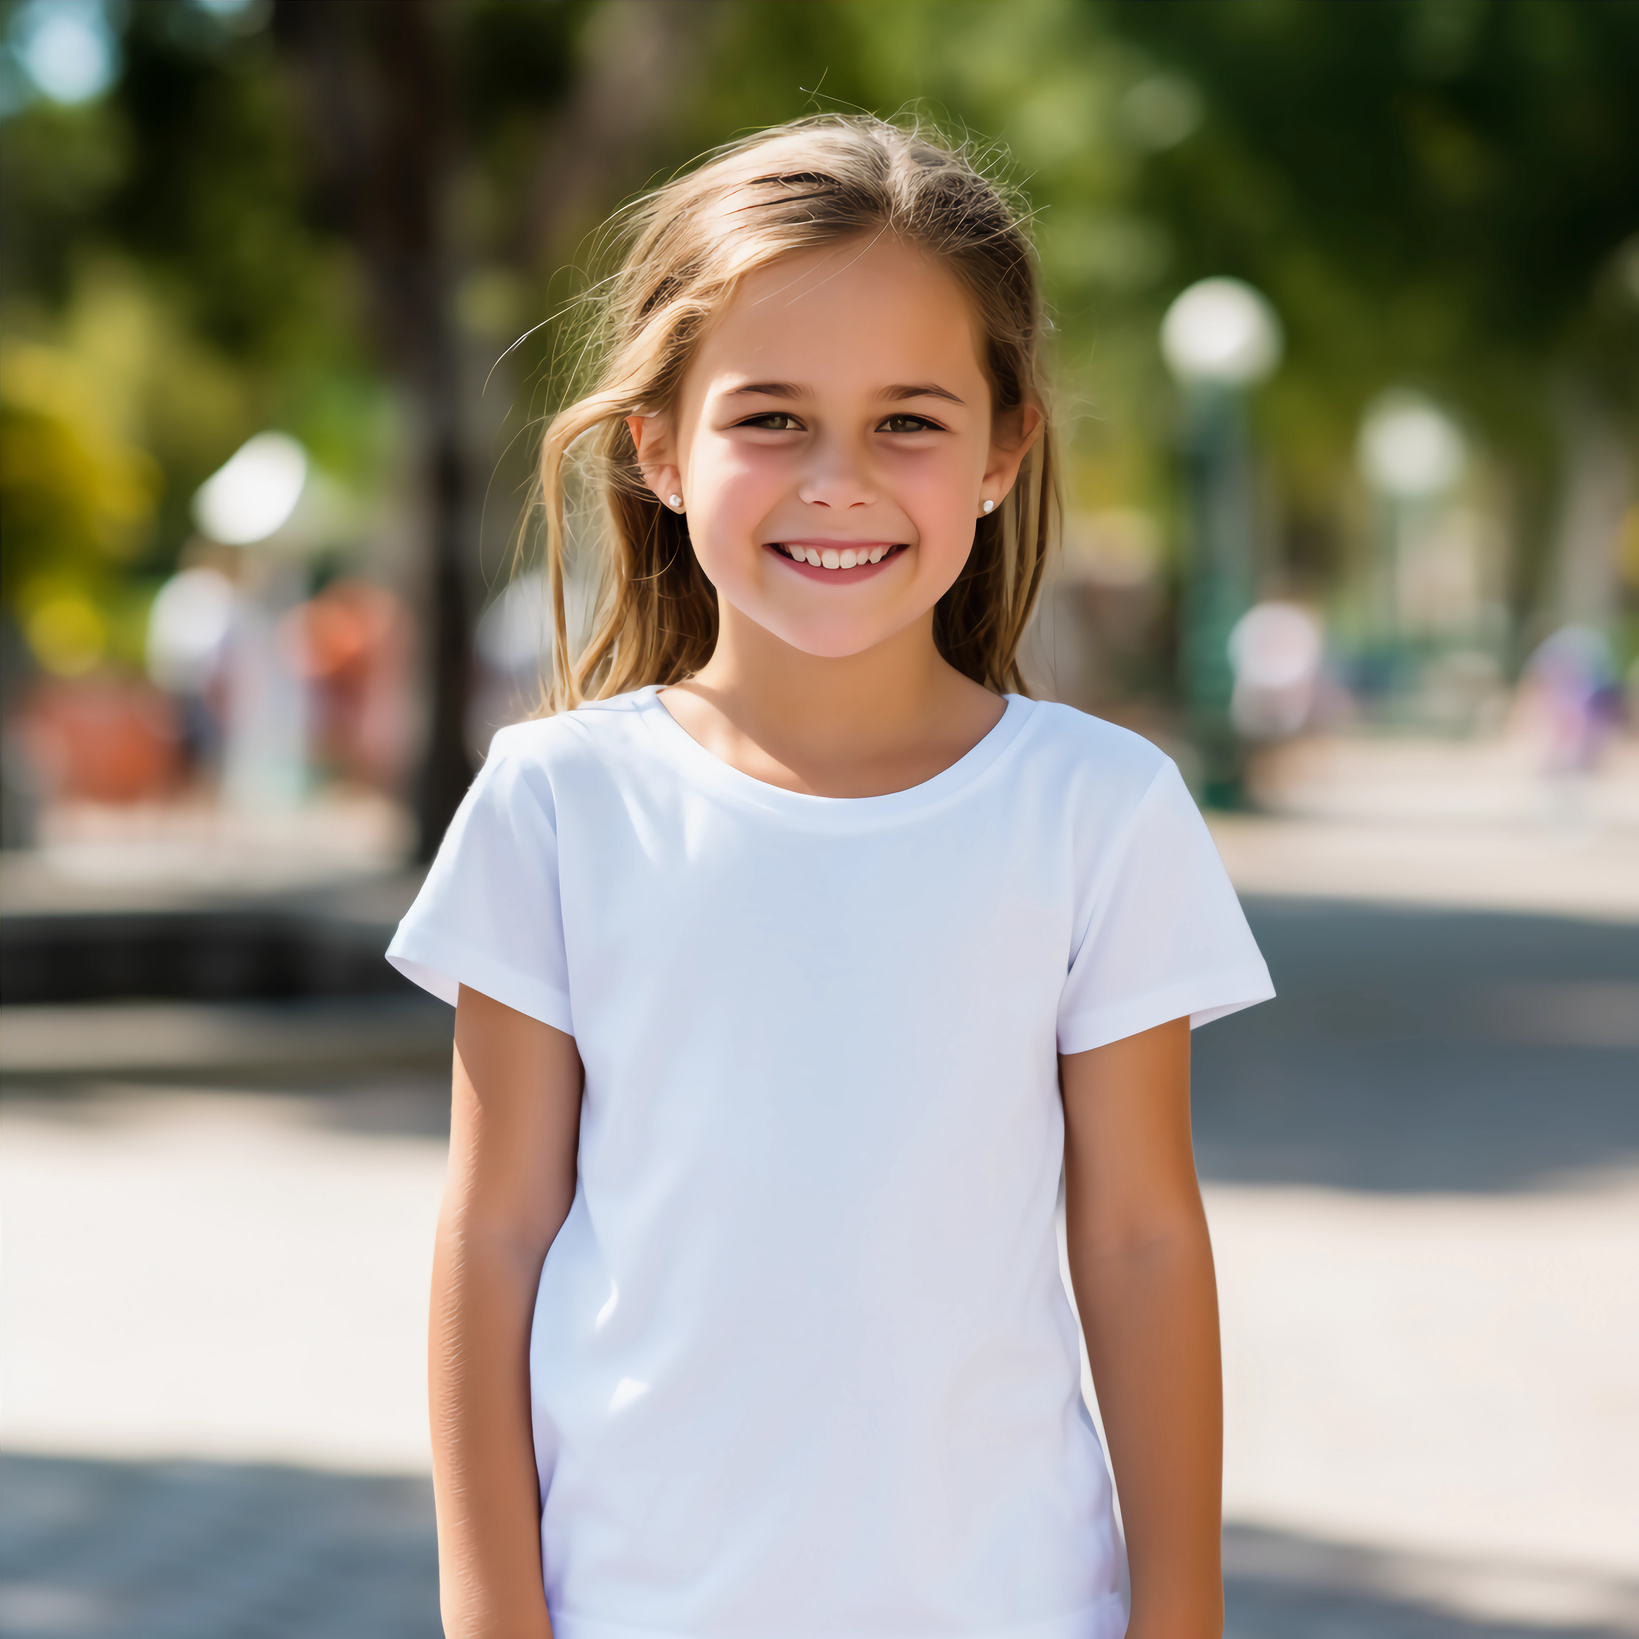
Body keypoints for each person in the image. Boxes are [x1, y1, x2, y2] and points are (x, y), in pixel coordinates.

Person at [388, 115, 1273, 1639]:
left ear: (1004, 452)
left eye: (909, 423)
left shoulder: (1100, 811)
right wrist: (493, 1615)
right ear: (659, 446)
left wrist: (1178, 1610)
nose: (839, 481)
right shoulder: (557, 805)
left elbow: (1136, 1234)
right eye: (773, 419)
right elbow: (496, 1231)